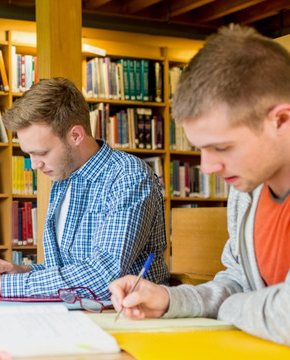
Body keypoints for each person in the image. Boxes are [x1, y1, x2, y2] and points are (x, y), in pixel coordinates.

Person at [109, 25, 290, 346]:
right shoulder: (246, 190)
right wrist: (169, 299)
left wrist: (228, 306)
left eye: (222, 148)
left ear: (281, 120)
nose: (207, 167)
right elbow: (237, 281)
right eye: (201, 149)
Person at [0, 77, 168, 300]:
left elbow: (105, 277)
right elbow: (65, 269)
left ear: (75, 136)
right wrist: (22, 271)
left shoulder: (127, 176)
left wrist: (2, 285)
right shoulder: (63, 178)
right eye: (29, 154)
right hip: (74, 313)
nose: (34, 165)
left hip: (124, 315)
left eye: (41, 153)